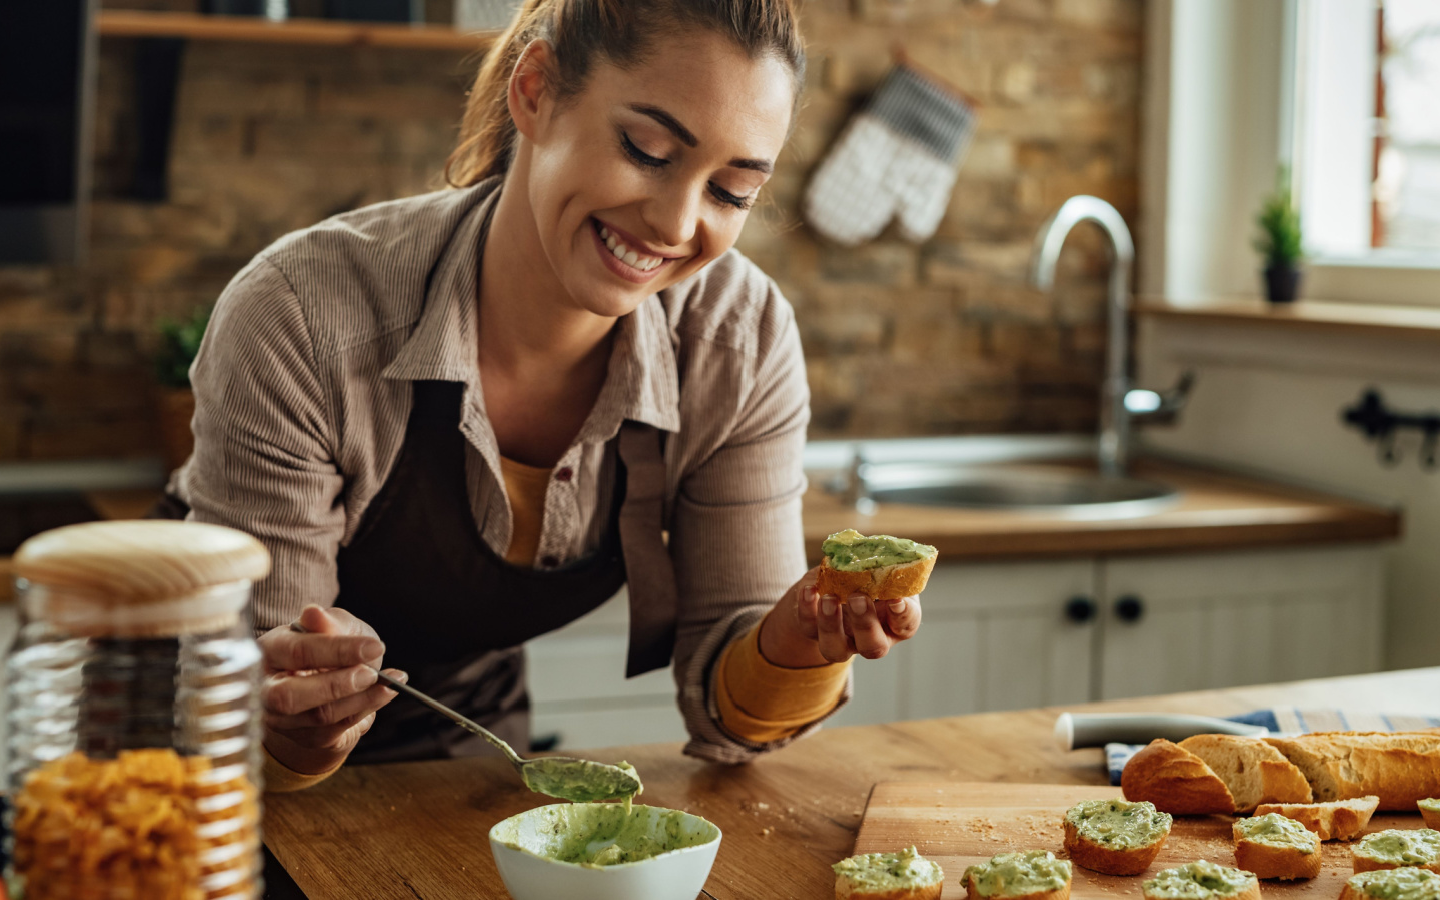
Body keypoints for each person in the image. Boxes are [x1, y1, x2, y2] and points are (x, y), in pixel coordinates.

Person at [158, 0, 925, 789]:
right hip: (191, 740)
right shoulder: (304, 315)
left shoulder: (739, 342)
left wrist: (799, 641)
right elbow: (252, 701)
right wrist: (298, 716)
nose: (674, 222)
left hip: (458, 737)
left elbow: (732, 713)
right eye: (647, 149)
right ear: (535, 92)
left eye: (731, 193)